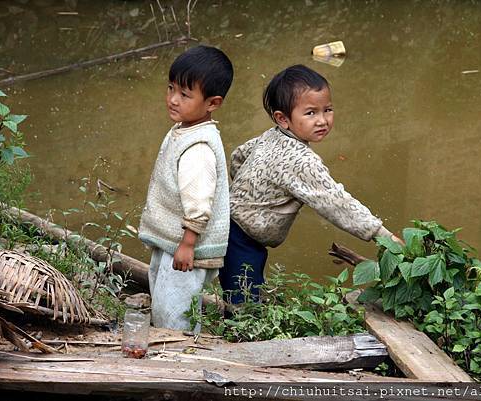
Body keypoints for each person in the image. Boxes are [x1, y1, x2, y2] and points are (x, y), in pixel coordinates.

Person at [219, 64, 401, 304]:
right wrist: (383, 236)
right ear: (283, 118)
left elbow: (238, 157)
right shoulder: (301, 160)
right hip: (241, 239)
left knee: (245, 292)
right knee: (245, 305)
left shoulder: (271, 135)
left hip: (230, 226)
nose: (322, 120)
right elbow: (335, 202)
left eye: (328, 110)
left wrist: (252, 189)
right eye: (310, 113)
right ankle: (240, 337)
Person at [138, 45, 233, 330]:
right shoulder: (185, 128)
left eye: (184, 94)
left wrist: (188, 245)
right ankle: (169, 344)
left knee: (175, 310)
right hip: (173, 242)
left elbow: (199, 201)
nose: (173, 100)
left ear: (212, 103)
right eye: (170, 89)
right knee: (164, 299)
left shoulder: (199, 148)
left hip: (185, 247)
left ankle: (178, 357)